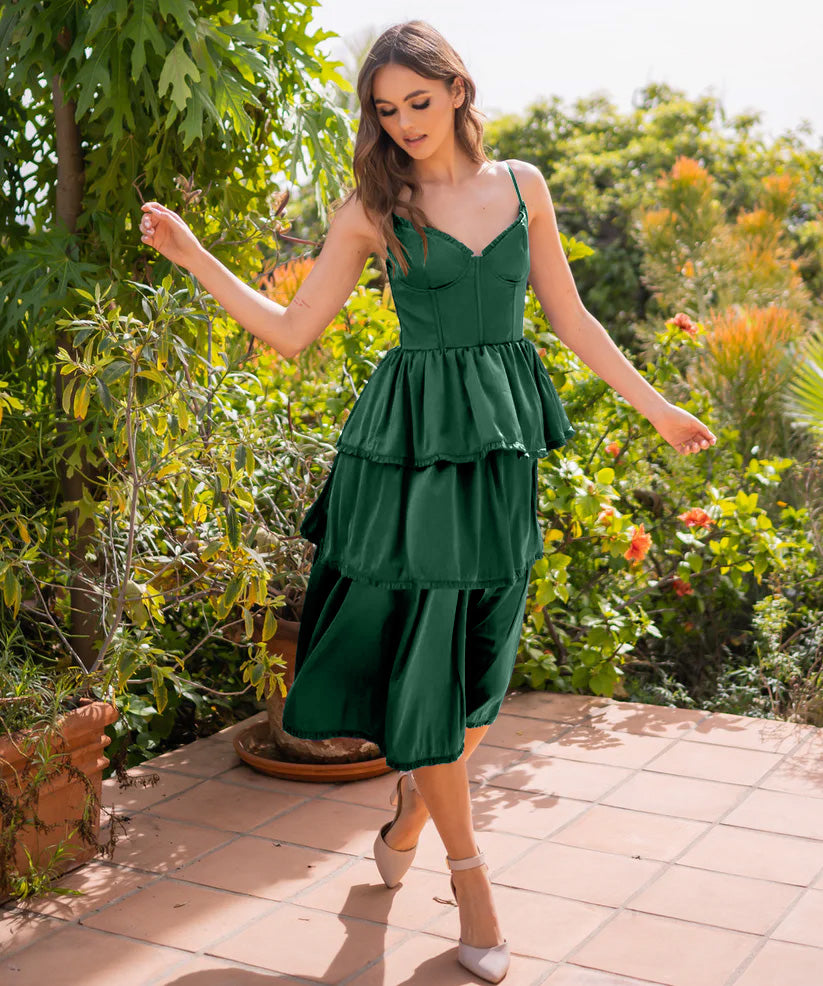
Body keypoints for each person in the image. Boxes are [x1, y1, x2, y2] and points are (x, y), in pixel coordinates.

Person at [138, 19, 716, 983]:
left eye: (418, 100)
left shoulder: (522, 185)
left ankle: (412, 805)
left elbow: (566, 316)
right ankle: (469, 874)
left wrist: (656, 410)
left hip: (498, 452)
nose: (402, 123)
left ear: (456, 90)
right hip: (409, 458)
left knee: (484, 665)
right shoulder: (370, 208)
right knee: (437, 670)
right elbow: (290, 332)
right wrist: (195, 256)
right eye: (385, 108)